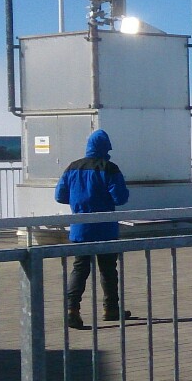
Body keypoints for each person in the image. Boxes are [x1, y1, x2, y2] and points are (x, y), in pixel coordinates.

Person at [55, 129, 132, 329]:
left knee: (80, 268)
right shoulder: (109, 168)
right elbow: (120, 198)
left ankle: (72, 309)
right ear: (106, 147)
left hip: (80, 228)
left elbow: (60, 196)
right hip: (105, 228)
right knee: (108, 269)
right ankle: (111, 309)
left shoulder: (72, 167)